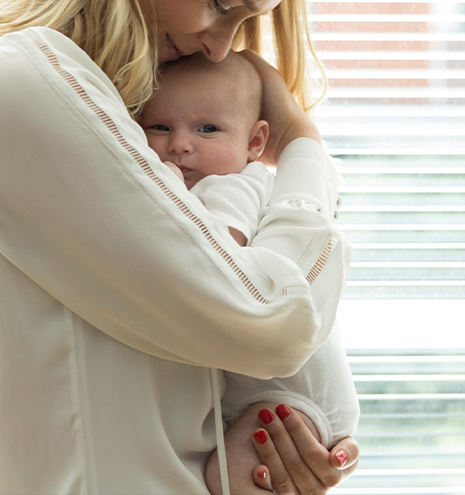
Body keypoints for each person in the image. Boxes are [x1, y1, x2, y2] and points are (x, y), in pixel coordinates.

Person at [0, 0, 359, 493]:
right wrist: (301, 145)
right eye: (222, 3)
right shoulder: (19, 88)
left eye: (246, 20)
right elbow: (274, 320)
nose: (223, 47)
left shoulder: (124, 114)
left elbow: (202, 364)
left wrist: (276, 427)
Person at [138, 51, 361, 492]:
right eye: (160, 127)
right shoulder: (249, 181)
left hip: (286, 401)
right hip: (278, 395)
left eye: (207, 129)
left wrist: (161, 184)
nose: (180, 145)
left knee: (228, 480)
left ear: (256, 142)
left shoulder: (231, 185)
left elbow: (216, 257)